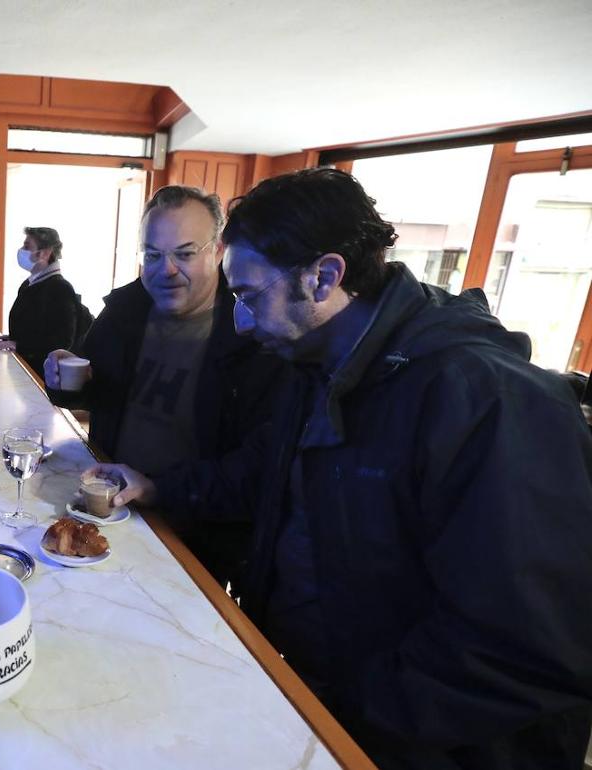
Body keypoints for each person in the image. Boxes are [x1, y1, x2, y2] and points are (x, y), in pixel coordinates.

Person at [130, 167, 592, 768]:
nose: (239, 321)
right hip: (307, 695)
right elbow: (263, 474)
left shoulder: (488, 400)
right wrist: (158, 485)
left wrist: (347, 712)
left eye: (247, 295)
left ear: (324, 275)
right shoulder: (316, 358)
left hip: (409, 741)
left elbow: (529, 644)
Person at [45, 186, 287, 589]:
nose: (166, 270)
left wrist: (158, 489)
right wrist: (65, 377)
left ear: (219, 249)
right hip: (111, 511)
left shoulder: (253, 331)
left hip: (197, 533)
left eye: (184, 254)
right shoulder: (125, 310)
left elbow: (256, 469)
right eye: (153, 255)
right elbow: (90, 389)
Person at [0, 226, 84, 373]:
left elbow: (61, 342)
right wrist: (14, 339)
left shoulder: (60, 288)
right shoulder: (29, 283)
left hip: (43, 373)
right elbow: (38, 327)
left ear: (45, 253)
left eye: (27, 246)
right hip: (25, 366)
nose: (21, 250)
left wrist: (20, 345)